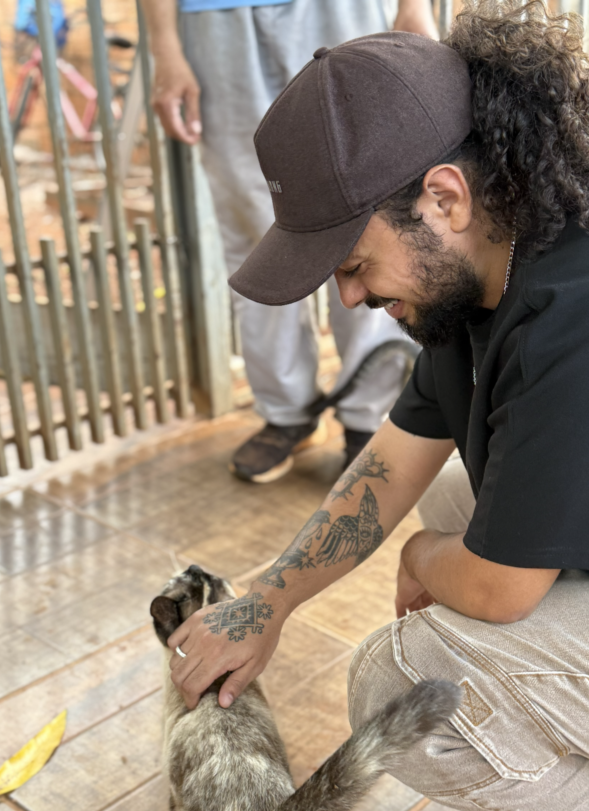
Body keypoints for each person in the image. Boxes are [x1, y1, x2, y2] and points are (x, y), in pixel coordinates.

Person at [166, 2, 589, 811]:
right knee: (452, 493)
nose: (345, 297)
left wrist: (427, 563)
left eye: (352, 264)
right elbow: (395, 456)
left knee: (407, 687)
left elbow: (497, 591)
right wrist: (269, 598)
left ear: (442, 197)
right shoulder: (501, 261)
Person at [141, 0, 438, 482]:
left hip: (341, 11)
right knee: (254, 228)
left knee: (370, 209)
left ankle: (369, 418)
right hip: (215, 21)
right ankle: (286, 412)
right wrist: (165, 47)